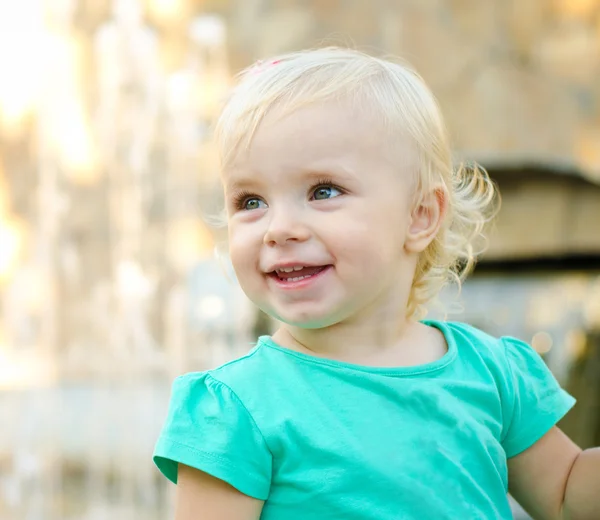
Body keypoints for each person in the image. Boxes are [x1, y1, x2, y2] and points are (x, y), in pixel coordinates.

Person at [153, 47, 599, 519]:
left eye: (323, 191)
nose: (278, 228)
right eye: (249, 201)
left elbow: (568, 493)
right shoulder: (237, 408)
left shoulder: (490, 373)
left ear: (420, 216)